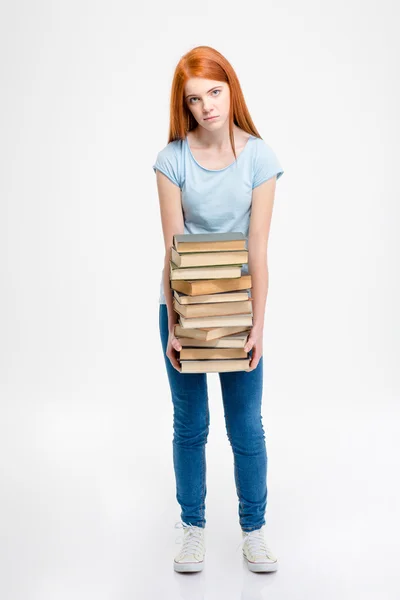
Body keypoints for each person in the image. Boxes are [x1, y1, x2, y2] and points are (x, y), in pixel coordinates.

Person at [152, 45, 284, 574]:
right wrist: (175, 324)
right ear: (183, 107)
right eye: (194, 99)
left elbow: (258, 249)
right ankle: (193, 529)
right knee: (190, 425)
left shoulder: (259, 157)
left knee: (246, 426)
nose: (207, 106)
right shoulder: (171, 160)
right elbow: (174, 247)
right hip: (183, 309)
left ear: (230, 88)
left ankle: (254, 530)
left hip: (239, 309)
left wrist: (258, 325)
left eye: (214, 91)